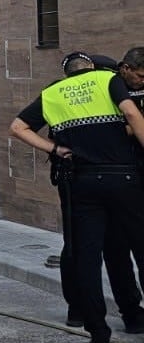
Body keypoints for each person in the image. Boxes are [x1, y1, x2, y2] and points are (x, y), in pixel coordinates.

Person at [10, 50, 144, 343]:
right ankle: (132, 316)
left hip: (79, 182)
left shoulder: (53, 92)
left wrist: (54, 150)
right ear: (93, 68)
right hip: (122, 177)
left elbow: (17, 127)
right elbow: (132, 114)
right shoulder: (107, 80)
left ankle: (96, 330)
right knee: (133, 248)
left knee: (85, 256)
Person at [46, 52, 144, 331]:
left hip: (82, 180)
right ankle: (122, 313)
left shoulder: (61, 92)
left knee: (83, 248)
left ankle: (84, 311)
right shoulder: (109, 83)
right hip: (105, 177)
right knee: (111, 249)